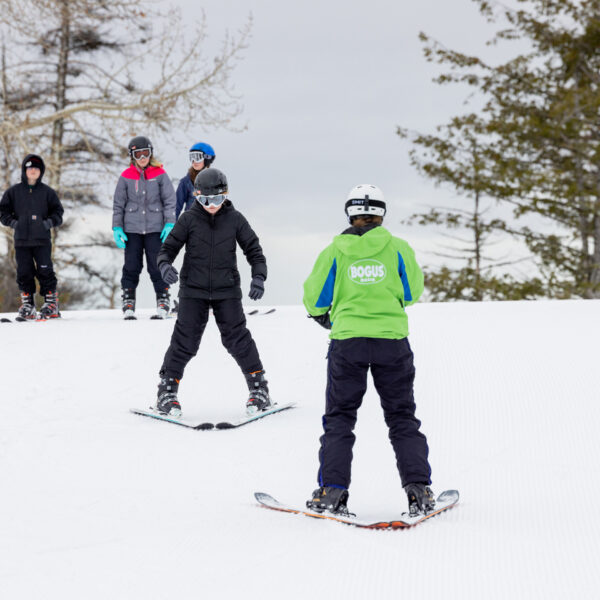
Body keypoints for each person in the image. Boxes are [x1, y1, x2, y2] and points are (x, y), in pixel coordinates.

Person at [302, 184, 434, 517]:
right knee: (402, 418)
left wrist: (326, 317)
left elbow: (315, 296)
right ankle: (419, 492)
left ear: (351, 213)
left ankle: (332, 492)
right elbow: (412, 290)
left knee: (340, 419)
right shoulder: (398, 248)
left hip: (348, 343)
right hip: (392, 341)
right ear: (381, 213)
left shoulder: (335, 251)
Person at [154, 168, 269, 417]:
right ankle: (167, 391)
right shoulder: (188, 219)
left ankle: (259, 388)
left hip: (226, 290)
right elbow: (168, 249)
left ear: (225, 196)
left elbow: (254, 250)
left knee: (237, 338)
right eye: (205, 200)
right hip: (192, 291)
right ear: (196, 196)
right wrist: (164, 266)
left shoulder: (235, 219)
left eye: (217, 199)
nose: (212, 205)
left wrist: (258, 277)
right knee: (185, 341)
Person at [112, 136, 176, 319]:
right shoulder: (126, 177)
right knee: (131, 265)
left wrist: (170, 222)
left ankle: (163, 299)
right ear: (132, 156)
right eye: (138, 154)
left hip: (156, 229)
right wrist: (117, 228)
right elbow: (118, 204)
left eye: (145, 153)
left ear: (150, 154)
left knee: (157, 266)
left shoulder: (160, 175)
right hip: (132, 230)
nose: (142, 158)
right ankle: (128, 300)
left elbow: (170, 200)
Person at [0, 154, 64, 320]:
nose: (33, 171)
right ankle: (28, 305)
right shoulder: (13, 192)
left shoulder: (48, 193)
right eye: (30, 168)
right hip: (21, 241)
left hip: (42, 240)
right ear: (25, 170)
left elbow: (58, 213)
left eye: (36, 168)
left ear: (41, 171)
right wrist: (14, 223)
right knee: (24, 272)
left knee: (45, 271)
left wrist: (47, 223)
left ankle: (51, 303)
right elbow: (3, 212)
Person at [175, 142, 215, 219]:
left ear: (207, 158)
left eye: (197, 157)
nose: (194, 161)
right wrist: (171, 224)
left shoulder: (215, 181)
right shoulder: (186, 182)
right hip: (191, 224)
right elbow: (177, 206)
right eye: (192, 157)